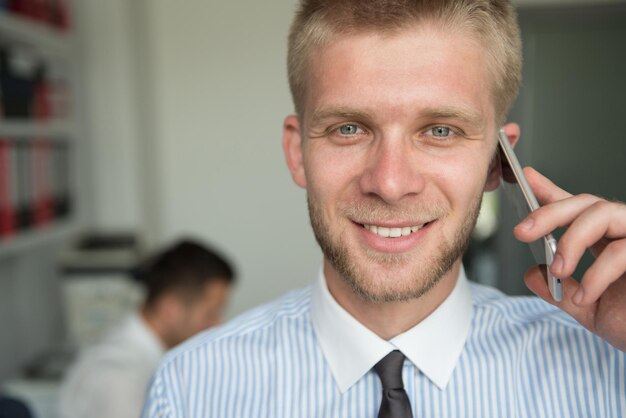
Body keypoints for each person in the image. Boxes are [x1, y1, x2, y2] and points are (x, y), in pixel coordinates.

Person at [142, 1, 626, 417]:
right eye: (349, 128)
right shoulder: (191, 390)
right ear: (297, 153)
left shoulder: (610, 367)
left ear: (495, 162)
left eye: (440, 130)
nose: (391, 184)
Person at [59, 239, 235, 418]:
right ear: (170, 309)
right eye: (210, 314)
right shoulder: (120, 378)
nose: (218, 325)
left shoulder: (157, 357)